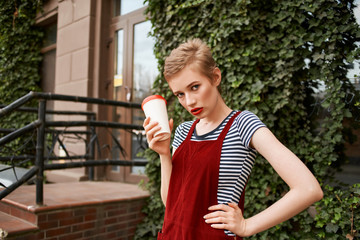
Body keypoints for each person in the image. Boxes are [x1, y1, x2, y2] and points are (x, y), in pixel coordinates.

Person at [143, 38, 323, 240]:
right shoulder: (184, 131)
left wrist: (247, 226)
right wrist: (164, 155)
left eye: (195, 87)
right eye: (180, 94)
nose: (189, 101)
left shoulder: (242, 124)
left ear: (215, 77)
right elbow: (171, 203)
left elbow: (308, 189)